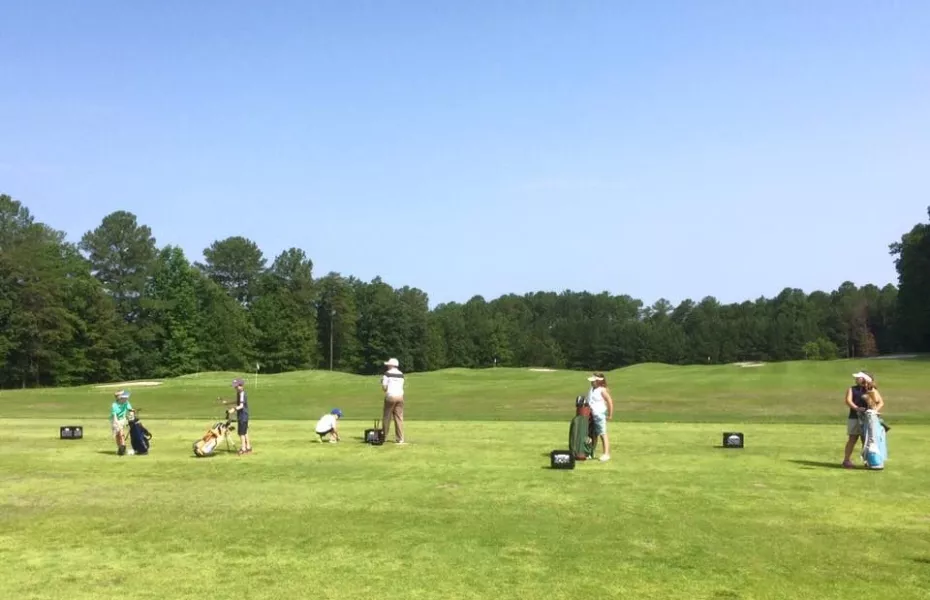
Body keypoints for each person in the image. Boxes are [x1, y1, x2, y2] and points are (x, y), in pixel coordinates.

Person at [843, 371, 884, 468]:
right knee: (852, 438)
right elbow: (848, 401)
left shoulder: (871, 390)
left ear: (865, 379)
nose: (856, 379)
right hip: (854, 417)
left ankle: (868, 460)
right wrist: (857, 408)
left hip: (868, 418)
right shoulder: (852, 389)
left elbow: (880, 402)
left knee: (866, 440)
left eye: (859, 377)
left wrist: (874, 411)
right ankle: (846, 460)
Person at [586, 373, 615, 462]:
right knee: (591, 435)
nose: (591, 382)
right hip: (590, 415)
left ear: (598, 381)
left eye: (593, 381)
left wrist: (610, 415)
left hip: (599, 414)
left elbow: (609, 401)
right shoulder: (591, 389)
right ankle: (590, 452)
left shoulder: (602, 390)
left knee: (602, 434)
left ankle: (606, 454)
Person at [381, 357, 405, 444]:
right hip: (400, 396)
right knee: (399, 417)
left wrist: (382, 383)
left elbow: (384, 388)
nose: (387, 366)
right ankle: (400, 438)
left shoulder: (387, 374)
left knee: (387, 417)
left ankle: (383, 437)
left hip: (390, 396)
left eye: (388, 365)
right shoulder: (401, 374)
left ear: (392, 365)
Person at [230, 378, 252, 455]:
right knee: (245, 432)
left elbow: (241, 405)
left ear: (241, 386)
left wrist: (234, 409)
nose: (235, 388)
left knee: (241, 433)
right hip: (243, 415)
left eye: (236, 387)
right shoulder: (239, 393)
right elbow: (238, 401)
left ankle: (243, 448)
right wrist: (228, 402)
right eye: (235, 387)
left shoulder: (242, 393)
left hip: (243, 416)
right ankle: (248, 447)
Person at [110, 390, 133, 456]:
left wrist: (131, 413)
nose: (126, 397)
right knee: (117, 435)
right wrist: (116, 423)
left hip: (122, 419)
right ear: (119, 397)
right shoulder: (114, 405)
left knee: (121, 434)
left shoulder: (126, 402)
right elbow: (114, 416)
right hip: (115, 420)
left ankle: (123, 449)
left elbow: (130, 409)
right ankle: (120, 448)